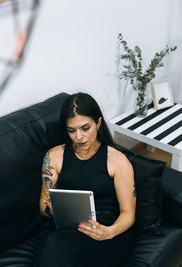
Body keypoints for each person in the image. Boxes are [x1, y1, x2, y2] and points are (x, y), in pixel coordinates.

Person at [36, 92, 136, 267]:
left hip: (106, 231)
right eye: (71, 131)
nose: (79, 137)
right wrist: (54, 209)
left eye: (85, 128)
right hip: (66, 229)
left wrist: (110, 232)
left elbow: (128, 214)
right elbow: (43, 207)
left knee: (56, 246)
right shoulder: (54, 156)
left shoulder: (118, 161)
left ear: (98, 123)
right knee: (54, 243)